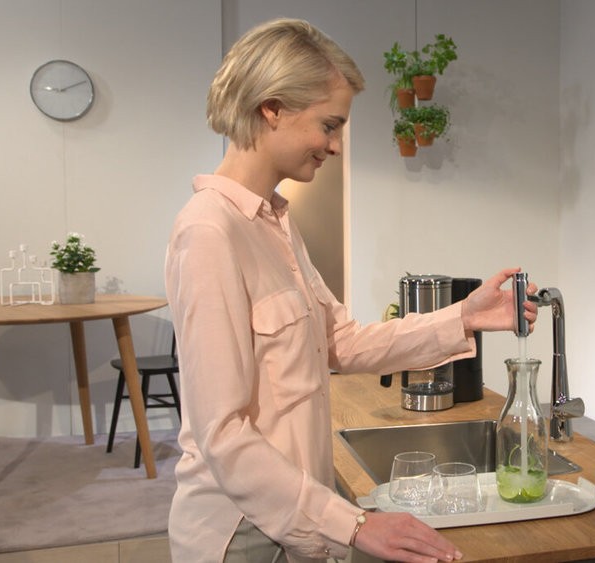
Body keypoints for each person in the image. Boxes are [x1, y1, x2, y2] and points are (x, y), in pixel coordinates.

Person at [164, 18, 538, 563]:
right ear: (272, 108)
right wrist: (355, 524)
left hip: (292, 514)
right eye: (329, 125)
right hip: (244, 530)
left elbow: (342, 341)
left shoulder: (275, 224)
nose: (336, 146)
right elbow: (221, 432)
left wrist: (465, 317)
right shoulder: (209, 231)